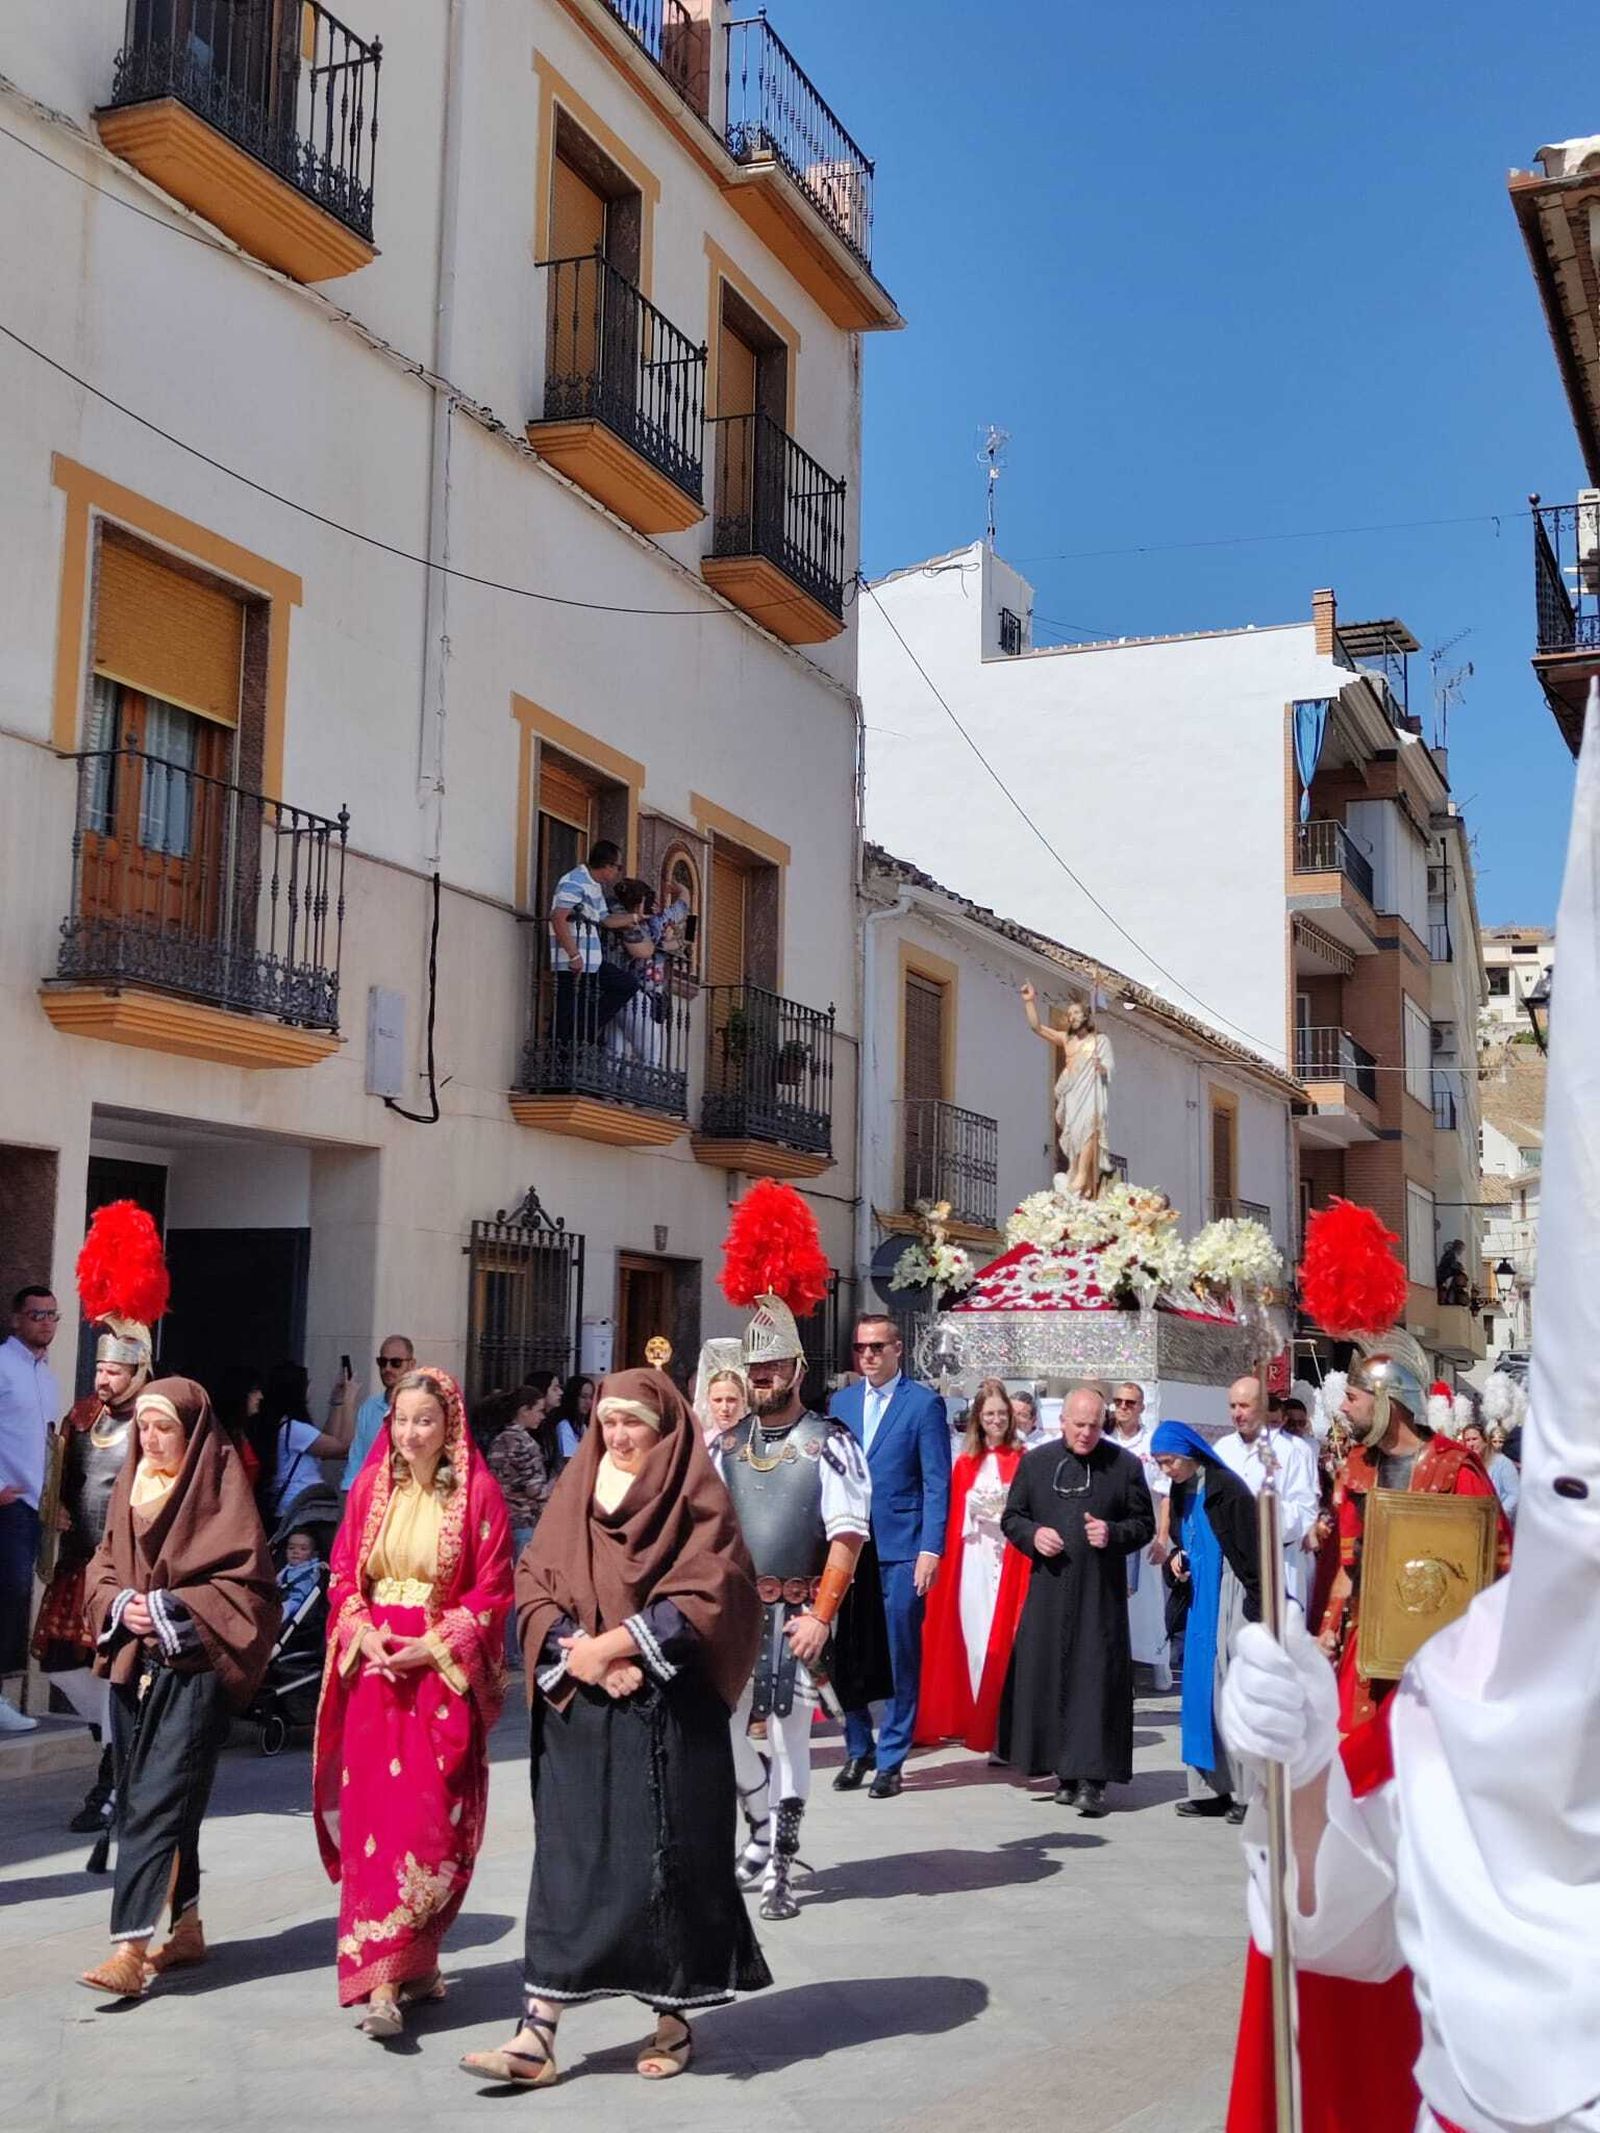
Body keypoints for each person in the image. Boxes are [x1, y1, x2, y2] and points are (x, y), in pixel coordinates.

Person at [1225, 697, 1600, 2133]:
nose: (1360, 1400)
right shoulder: (1353, 1470)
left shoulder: (1454, 1465)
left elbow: (1467, 1562)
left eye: (1372, 1386)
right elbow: (1352, 1904)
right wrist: (1307, 1745)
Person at [460, 1369, 770, 2089]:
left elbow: (711, 1590)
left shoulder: (695, 1499)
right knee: (569, 1867)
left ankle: (673, 2013)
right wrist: (588, 1658)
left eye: (636, 1422)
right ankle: (537, 2030)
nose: (621, 1435)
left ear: (665, 1432)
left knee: (668, 1864)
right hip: (583, 1710)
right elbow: (534, 1584)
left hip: (668, 1714)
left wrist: (620, 1643)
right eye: (610, 1421)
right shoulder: (577, 1489)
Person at [313, 1365, 512, 2036]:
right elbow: (344, 1573)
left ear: (449, 1423)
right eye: (400, 1420)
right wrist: (362, 1631)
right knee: (376, 1820)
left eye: (423, 1420)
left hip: (437, 1672)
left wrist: (436, 1645)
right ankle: (382, 1984)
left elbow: (492, 1593)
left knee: (428, 1820)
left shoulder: (480, 1496)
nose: (409, 1433)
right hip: (374, 1671)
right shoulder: (369, 1488)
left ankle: (417, 1960)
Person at [78, 1377, 279, 1999]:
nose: (153, 1438)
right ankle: (186, 1925)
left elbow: (248, 1590)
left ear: (192, 1434)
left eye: (165, 1427)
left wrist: (168, 1610)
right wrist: (120, 1606)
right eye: (145, 1427)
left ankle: (129, 1948)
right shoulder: (131, 1487)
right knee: (160, 1797)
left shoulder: (220, 1492)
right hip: (132, 1666)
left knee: (155, 1800)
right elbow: (102, 1566)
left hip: (191, 1672)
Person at [718, 1294, 874, 1919]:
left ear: (798, 1369)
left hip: (796, 1614)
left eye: (775, 1365)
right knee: (723, 1730)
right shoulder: (723, 1444)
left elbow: (847, 1534)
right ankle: (758, 1822)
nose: (764, 1377)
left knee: (788, 1742)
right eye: (756, 1368)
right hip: (732, 1615)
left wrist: (821, 1616)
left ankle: (779, 1863)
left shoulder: (828, 1443)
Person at [1319, 1343, 1510, 1736]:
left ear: (1388, 1402)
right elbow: (1347, 1565)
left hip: (1440, 1652)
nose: (1344, 1408)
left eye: (1353, 1398)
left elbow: (1496, 1565)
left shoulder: (1454, 1469)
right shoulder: (1356, 1468)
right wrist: (1330, 1627)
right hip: (1368, 1645)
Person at [996, 1385, 1155, 1815]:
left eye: (1093, 1425)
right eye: (1078, 1425)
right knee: (1051, 1678)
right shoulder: (1036, 1463)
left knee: (1095, 1681)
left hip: (1099, 1596)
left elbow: (1143, 1524)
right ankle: (1062, 1771)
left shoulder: (1122, 1466)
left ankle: (1093, 1778)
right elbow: (1013, 1517)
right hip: (1049, 1590)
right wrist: (1034, 1536)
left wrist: (1112, 1533)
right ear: (1061, 1422)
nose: (1086, 1434)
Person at [829, 1314, 950, 1799]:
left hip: (902, 1546)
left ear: (898, 1349)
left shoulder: (922, 1405)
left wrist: (930, 1548)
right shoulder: (841, 1402)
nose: (869, 1356)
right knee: (846, 1650)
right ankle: (859, 1747)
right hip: (849, 1544)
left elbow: (938, 1481)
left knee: (900, 1649)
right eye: (860, 1348)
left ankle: (893, 1757)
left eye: (877, 1347)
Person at [1152, 1420, 1261, 1824]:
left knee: (1232, 1691)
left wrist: (1258, 1608)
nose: (1168, 1471)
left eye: (1170, 1462)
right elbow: (1185, 1540)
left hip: (1231, 1593)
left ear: (1189, 1454)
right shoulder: (1182, 1490)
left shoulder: (1226, 1488)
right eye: (1161, 1464)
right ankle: (1209, 1789)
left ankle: (1248, 1794)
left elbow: (1251, 1550)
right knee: (1199, 1693)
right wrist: (1178, 1563)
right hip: (1201, 1596)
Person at [914, 1380, 1031, 1754]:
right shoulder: (964, 1464)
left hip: (1009, 1557)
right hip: (974, 1558)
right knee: (977, 1641)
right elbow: (953, 1517)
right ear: (978, 1419)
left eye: (1001, 1413)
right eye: (989, 1414)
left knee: (1007, 1640)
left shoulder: (1024, 1459)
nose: (996, 1420)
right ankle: (975, 1715)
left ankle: (1001, 1724)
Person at [0, 1283, 63, 1733]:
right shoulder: (3, 1365)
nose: (45, 1322)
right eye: (37, 1314)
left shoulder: (47, 1375)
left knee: (18, 1600)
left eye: (52, 1315)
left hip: (32, 1507)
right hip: (6, 1500)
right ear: (16, 1319)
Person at [1214, 1376, 1320, 1611]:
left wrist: (1266, 1514)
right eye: (1233, 1406)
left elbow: (1305, 1509)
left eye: (1244, 1406)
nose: (1237, 1413)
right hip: (1232, 1564)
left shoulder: (1288, 1451)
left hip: (1277, 1561)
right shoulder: (1223, 1449)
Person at [1107, 1382, 1174, 1691]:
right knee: (1115, 1602)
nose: (1123, 1407)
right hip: (1111, 1534)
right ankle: (1121, 1667)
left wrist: (1162, 1538)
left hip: (1143, 1532)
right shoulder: (1104, 1440)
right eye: (1119, 1401)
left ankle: (1159, 1662)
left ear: (1141, 1407)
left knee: (1149, 1602)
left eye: (1130, 1403)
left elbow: (1164, 1494)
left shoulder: (1152, 1443)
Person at [1020, 984, 1114, 1198]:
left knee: (1091, 1126)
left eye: (1076, 1013)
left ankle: (1082, 1174)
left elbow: (1108, 1068)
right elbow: (1037, 1028)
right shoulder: (1066, 1039)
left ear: (1086, 1016)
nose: (1071, 1017)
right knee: (1074, 1134)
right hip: (1072, 1092)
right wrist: (1029, 1002)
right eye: (1069, 1014)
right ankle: (1076, 1173)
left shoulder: (1100, 1041)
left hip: (1091, 1091)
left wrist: (1102, 1068)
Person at [486, 1384, 559, 1661]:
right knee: (522, 1589)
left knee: (507, 1588)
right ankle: (517, 1650)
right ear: (524, 1411)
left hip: (503, 1522)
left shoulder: (499, 1440)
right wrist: (556, 1487)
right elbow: (535, 1490)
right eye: (539, 1411)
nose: (542, 1416)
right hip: (525, 1522)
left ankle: (506, 1649)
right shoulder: (524, 1442)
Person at [548, 837, 631, 1047]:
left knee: (625, 985)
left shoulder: (594, 886)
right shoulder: (575, 881)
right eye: (618, 867)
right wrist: (573, 954)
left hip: (591, 960)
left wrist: (635, 918)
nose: (617, 872)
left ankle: (584, 1032)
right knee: (566, 1013)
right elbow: (559, 917)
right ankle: (559, 1059)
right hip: (573, 961)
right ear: (607, 865)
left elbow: (605, 920)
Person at [256, 1360, 357, 1525]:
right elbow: (343, 1445)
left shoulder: (285, 1425)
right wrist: (349, 1401)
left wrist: (337, 1402)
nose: (310, 1388)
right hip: (300, 1510)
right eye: (307, 1384)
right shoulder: (294, 1429)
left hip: (295, 1508)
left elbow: (327, 1442)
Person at [340, 1336, 415, 1490]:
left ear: (411, 1365)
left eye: (396, 1363)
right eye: (382, 1362)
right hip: (369, 1498)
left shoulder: (420, 1409)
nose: (387, 1369)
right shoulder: (369, 1408)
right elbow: (356, 1460)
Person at [1457, 1416, 1520, 1525]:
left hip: (1497, 1521)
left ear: (1485, 1440)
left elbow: (1514, 1494)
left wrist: (1499, 1516)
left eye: (1474, 1439)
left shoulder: (1503, 1463)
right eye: (1467, 1440)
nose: (1471, 1444)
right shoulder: (1466, 1464)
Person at [553, 1373, 596, 1463]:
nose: (588, 1402)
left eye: (591, 1397)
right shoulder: (564, 1426)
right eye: (583, 1397)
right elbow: (571, 1461)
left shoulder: (582, 1425)